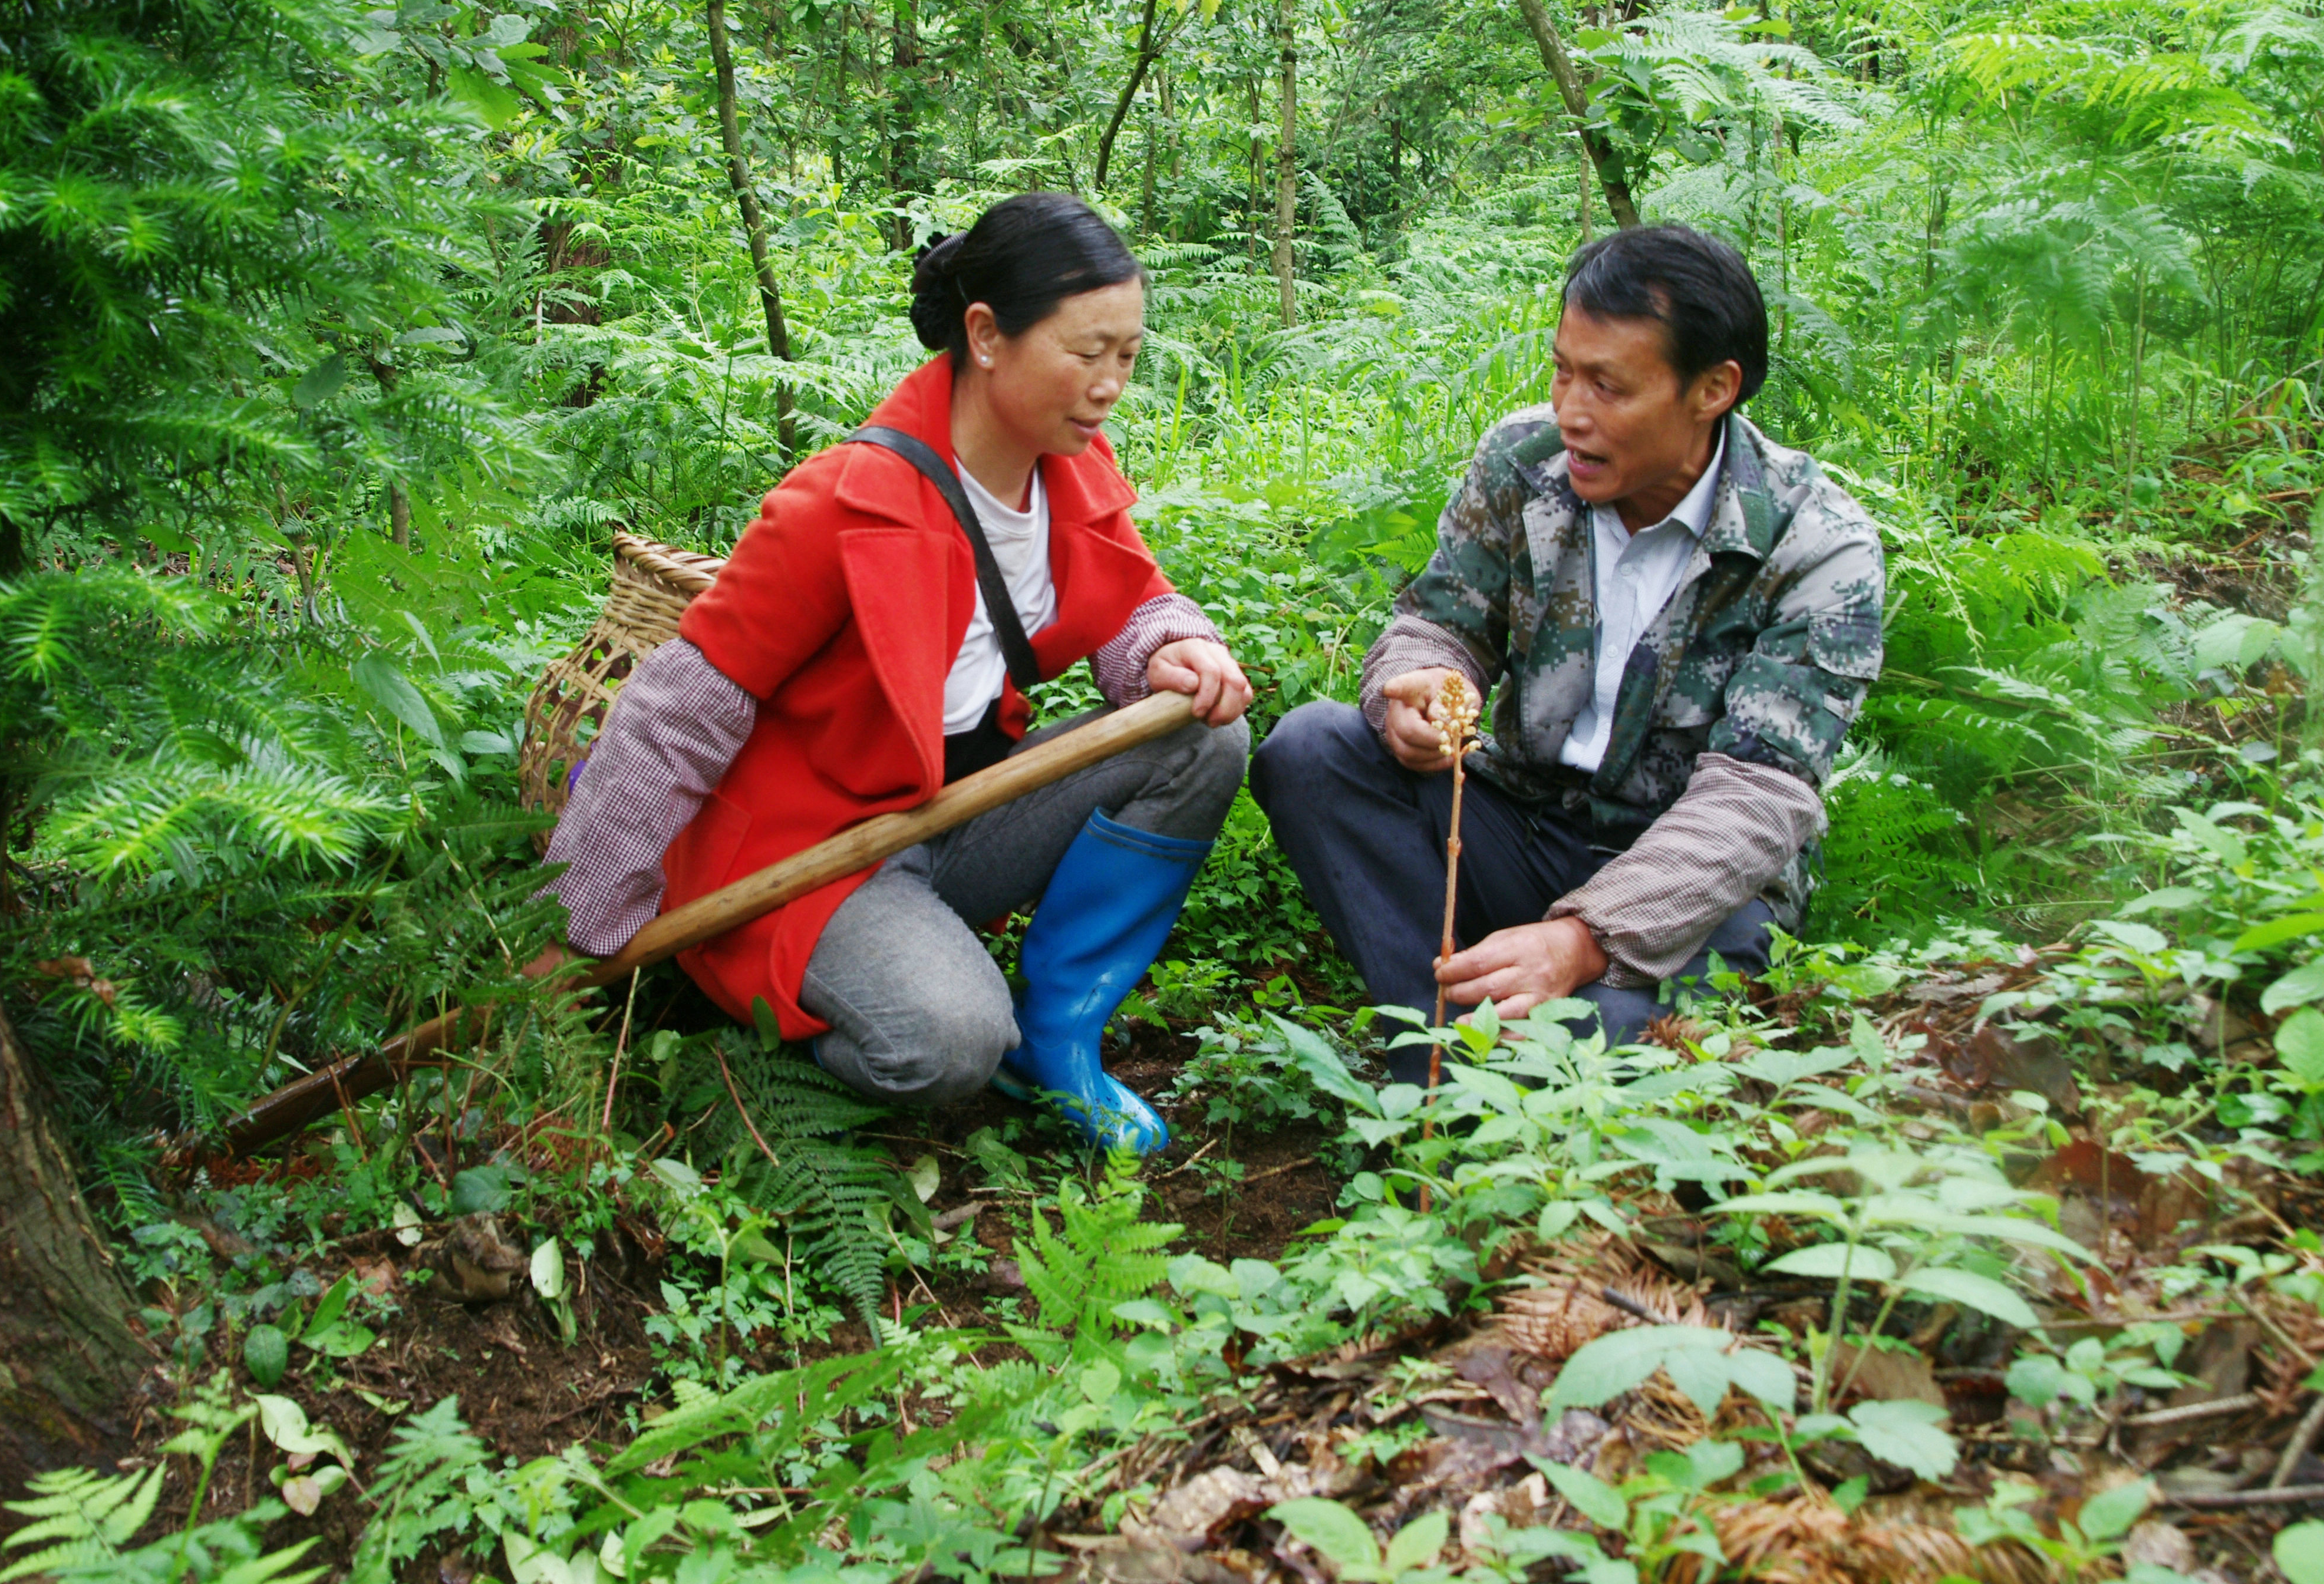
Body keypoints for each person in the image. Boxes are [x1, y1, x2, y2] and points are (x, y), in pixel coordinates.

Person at [543, 192, 1254, 1154]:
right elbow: (677, 712)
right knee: (946, 1044)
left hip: (954, 814)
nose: (1110, 385)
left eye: (1126, 356)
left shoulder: (1068, 468)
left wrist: (1174, 644)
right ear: (986, 335)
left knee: (1202, 733)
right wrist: (584, 925)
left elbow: (1132, 597)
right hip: (807, 863)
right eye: (1086, 354)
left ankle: (1053, 1037)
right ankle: (795, 1048)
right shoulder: (844, 503)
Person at [1251, 224, 1883, 1085]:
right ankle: (1435, 1060)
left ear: (1713, 390)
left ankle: (1512, 1057)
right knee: (1313, 750)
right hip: (1520, 822)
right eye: (1563, 371)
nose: (1571, 410)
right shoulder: (1526, 459)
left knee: (1626, 1041)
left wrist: (1588, 939)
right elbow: (1442, 621)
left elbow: (1759, 796)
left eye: (1609, 386)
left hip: (1693, 882)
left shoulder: (1815, 546)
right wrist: (1420, 688)